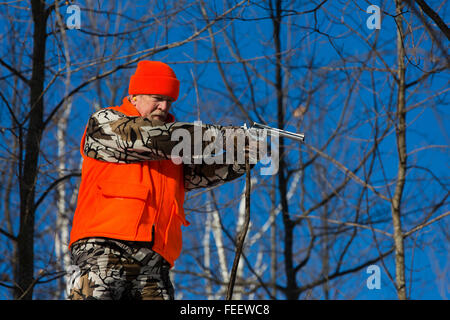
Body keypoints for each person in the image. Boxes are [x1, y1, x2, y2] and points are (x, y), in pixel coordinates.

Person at [67, 60, 260, 300]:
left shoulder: (173, 146)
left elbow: (200, 173)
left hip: (156, 260)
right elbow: (146, 137)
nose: (164, 106)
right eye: (157, 97)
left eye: (169, 100)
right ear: (135, 95)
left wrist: (244, 156)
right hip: (105, 246)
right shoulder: (106, 122)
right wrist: (225, 137)